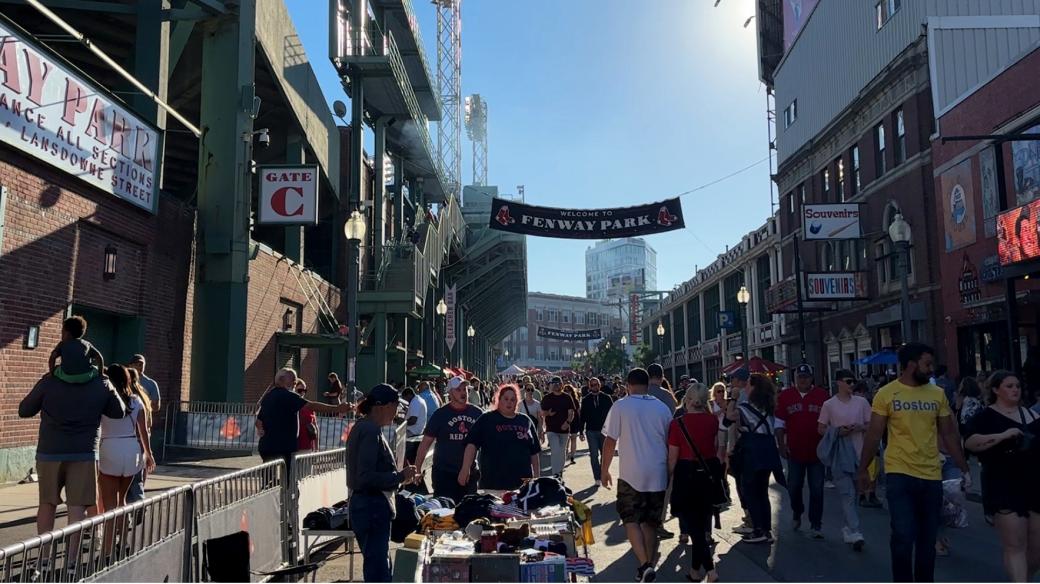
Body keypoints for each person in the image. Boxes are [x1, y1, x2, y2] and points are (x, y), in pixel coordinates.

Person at [857, 342, 971, 582]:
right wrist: (863, 470)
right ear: (911, 364)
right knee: (903, 535)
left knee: (927, 539)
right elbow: (874, 434)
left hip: (931, 474)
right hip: (899, 473)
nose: (931, 369)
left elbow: (949, 433)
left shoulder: (937, 394)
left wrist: (963, 466)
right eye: (927, 364)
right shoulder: (886, 394)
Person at [964, 370, 1040, 582]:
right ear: (996, 390)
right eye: (1009, 386)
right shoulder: (985, 417)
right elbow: (970, 442)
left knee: (1037, 547)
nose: (1015, 390)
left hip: (1034, 483)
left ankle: (1025, 577)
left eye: (1017, 385)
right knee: (1015, 545)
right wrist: (1002, 436)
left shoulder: (1032, 416)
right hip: (1003, 483)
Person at [601, 368, 673, 582]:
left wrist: (604, 470)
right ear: (648, 384)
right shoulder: (662, 408)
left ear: (628, 385)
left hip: (631, 473)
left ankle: (644, 564)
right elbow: (671, 441)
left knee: (630, 518)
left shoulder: (621, 406)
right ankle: (648, 563)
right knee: (650, 522)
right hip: (658, 471)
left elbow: (610, 441)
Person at [345, 384, 418, 583]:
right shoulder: (369, 430)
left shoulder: (365, 427)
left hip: (369, 507)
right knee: (378, 570)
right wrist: (400, 476)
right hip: (372, 508)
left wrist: (398, 476)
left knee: (379, 565)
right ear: (383, 406)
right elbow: (365, 476)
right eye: (396, 406)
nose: (397, 412)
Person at [668, 383, 721, 583]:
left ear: (687, 400)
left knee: (693, 526)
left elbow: (673, 457)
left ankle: (710, 569)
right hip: (708, 472)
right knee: (701, 521)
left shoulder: (677, 424)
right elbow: (715, 447)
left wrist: (668, 478)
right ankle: (694, 570)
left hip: (686, 472)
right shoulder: (712, 421)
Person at [817, 369, 871, 550]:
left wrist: (860, 427)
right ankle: (855, 531)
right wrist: (838, 432)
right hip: (840, 454)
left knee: (855, 493)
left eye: (853, 381)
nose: (851, 385)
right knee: (847, 493)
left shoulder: (862, 402)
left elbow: (871, 424)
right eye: (848, 381)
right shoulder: (829, 405)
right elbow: (821, 428)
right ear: (838, 382)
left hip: (860, 453)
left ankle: (848, 527)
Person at [256, 368, 352, 469]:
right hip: (283, 447)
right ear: (281, 379)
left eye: (296, 379)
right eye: (293, 378)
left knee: (270, 479)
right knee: (288, 480)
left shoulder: (268, 396)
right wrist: (337, 408)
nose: (295, 381)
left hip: (267, 446)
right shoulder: (289, 396)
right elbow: (311, 405)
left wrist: (260, 429)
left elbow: (258, 420)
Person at [776, 362, 829, 538]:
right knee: (794, 486)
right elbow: (779, 423)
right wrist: (781, 445)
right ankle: (797, 511)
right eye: (800, 377)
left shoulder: (822, 396)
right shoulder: (786, 396)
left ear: (811, 378)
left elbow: (830, 422)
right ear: (795, 378)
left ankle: (816, 524)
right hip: (795, 451)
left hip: (818, 452)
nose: (803, 380)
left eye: (806, 377)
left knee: (817, 488)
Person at [732, 374, 784, 544]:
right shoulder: (769, 406)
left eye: (747, 384)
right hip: (768, 450)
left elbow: (728, 420)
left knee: (750, 490)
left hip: (752, 452)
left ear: (753, 387)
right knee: (762, 491)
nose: (744, 386)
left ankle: (758, 529)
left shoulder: (745, 407)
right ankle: (767, 529)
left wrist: (733, 398)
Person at [460, 385, 541, 492]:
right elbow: (471, 444)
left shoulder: (525, 420)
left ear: (517, 401)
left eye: (513, 399)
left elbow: (534, 453)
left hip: (522, 485)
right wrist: (465, 468)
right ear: (499, 399)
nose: (509, 402)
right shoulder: (487, 419)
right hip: (493, 484)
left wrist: (537, 479)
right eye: (506, 399)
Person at [97, 365, 155, 513]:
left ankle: (107, 534)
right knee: (121, 500)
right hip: (131, 449)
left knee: (109, 503)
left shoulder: (103, 401)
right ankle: (121, 534)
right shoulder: (136, 401)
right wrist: (149, 454)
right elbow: (143, 431)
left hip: (109, 446)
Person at [414, 376, 483, 502]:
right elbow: (425, 444)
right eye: (458, 390)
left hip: (470, 474)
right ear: (450, 393)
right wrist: (417, 468)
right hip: (444, 473)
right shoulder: (440, 414)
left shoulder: (477, 413)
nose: (463, 393)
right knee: (444, 515)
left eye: (465, 389)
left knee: (469, 513)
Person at [124, 367, 156, 504]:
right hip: (141, 442)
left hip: (130, 440)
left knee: (128, 479)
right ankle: (138, 501)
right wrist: (149, 453)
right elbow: (146, 425)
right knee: (139, 477)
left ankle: (136, 503)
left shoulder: (129, 398)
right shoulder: (143, 397)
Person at [47, 316, 105, 384]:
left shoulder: (63, 344)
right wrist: (101, 374)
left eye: (62, 332)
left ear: (68, 333)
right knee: (95, 368)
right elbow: (99, 357)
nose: (61, 335)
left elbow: (52, 357)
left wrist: (51, 373)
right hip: (85, 377)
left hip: (66, 377)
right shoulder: (87, 344)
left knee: (56, 368)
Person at [578, 376, 613, 486]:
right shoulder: (586, 399)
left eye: (596, 384)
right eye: (592, 385)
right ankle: (597, 477)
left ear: (600, 385)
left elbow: (612, 415)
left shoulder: (606, 398)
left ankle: (603, 472)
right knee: (593, 455)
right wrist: (581, 431)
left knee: (604, 454)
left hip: (604, 431)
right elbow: (582, 416)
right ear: (589, 386)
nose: (595, 387)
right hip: (591, 431)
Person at [541, 376, 577, 477]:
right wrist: (548, 413)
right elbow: (542, 413)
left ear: (562, 384)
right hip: (551, 429)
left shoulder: (567, 397)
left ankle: (559, 471)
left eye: (558, 383)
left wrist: (568, 422)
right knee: (555, 449)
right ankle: (555, 473)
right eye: (554, 384)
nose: (557, 385)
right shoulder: (547, 398)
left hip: (564, 429)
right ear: (551, 385)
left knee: (561, 451)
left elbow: (571, 412)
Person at [402, 387, 427, 465]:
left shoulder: (415, 402)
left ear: (409, 395)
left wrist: (402, 423)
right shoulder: (418, 399)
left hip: (413, 431)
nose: (406, 401)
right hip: (418, 430)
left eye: (405, 398)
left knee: (396, 443)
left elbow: (413, 420)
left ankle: (404, 467)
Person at [295, 379, 319, 452]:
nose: (302, 393)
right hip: (294, 447)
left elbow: (315, 427)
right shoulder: (289, 405)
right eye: (299, 390)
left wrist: (316, 448)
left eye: (304, 391)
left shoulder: (309, 406)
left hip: (308, 446)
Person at [564, 384, 582, 465]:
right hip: (565, 422)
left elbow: (578, 412)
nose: (568, 392)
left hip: (574, 422)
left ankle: (572, 456)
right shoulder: (562, 400)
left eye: (569, 390)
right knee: (566, 440)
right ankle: (565, 455)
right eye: (566, 391)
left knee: (573, 439)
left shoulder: (575, 401)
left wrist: (580, 423)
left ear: (572, 391)